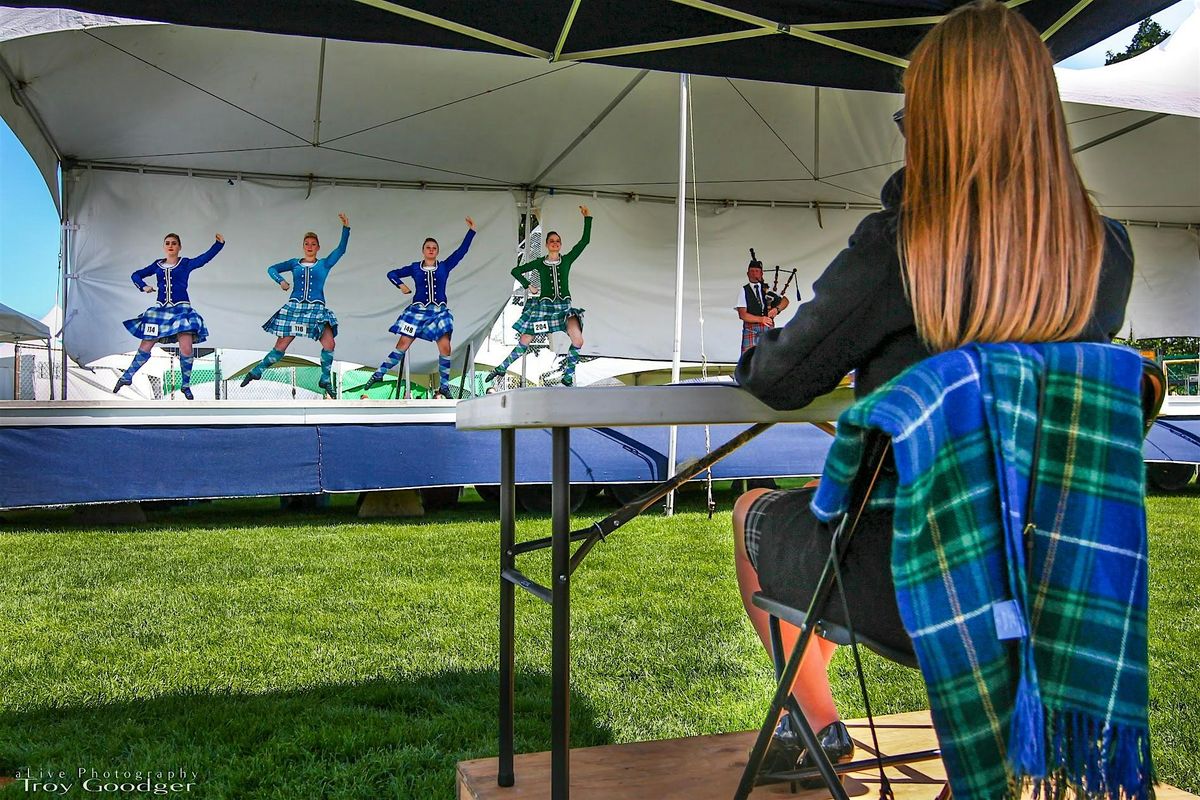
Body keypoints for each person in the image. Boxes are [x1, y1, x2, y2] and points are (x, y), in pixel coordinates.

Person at [730, 0, 1134, 783]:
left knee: (753, 512)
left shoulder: (901, 244)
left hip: (918, 583)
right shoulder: (1103, 251)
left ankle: (816, 728)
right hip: (1058, 588)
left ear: (937, 123)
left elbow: (780, 378)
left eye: (909, 116)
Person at [361, 217, 477, 399]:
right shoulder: (415, 268)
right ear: (423, 251)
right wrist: (401, 285)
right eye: (428, 248)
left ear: (437, 251)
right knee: (403, 344)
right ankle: (379, 374)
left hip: (439, 312)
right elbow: (391, 274)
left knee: (445, 347)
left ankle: (444, 386)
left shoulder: (445, 266)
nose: (431, 250)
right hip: (417, 312)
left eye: (434, 248)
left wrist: (471, 232)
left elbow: (461, 252)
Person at [241, 213, 350, 398]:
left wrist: (346, 228)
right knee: (280, 346)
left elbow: (341, 250)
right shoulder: (294, 263)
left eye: (313, 244)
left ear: (318, 247)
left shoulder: (324, 264)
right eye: (307, 244)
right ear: (303, 246)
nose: (310, 247)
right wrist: (281, 282)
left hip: (316, 308)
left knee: (330, 343)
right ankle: (257, 371)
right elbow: (271, 269)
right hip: (295, 308)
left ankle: (325, 379)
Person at [486, 206, 591, 388]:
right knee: (525, 340)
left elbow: (584, 242)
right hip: (544, 310)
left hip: (564, 309)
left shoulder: (566, 260)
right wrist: (529, 286)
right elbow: (516, 270)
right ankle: (502, 367)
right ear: (546, 244)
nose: (555, 243)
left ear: (560, 244)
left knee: (578, 339)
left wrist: (587, 218)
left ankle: (568, 375)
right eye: (551, 241)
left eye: (557, 241)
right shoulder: (540, 263)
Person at [114, 232, 225, 399]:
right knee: (146, 343)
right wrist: (143, 286)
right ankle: (127, 376)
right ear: (164, 247)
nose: (171, 245)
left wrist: (218, 245)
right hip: (160, 311)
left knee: (186, 347)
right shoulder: (157, 265)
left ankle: (185, 385)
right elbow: (135, 275)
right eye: (167, 243)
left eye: (174, 243)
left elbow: (203, 259)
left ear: (179, 247)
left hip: (181, 310)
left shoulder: (185, 263)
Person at [735, 255, 789, 354]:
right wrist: (761, 319)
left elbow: (785, 301)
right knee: (748, 360)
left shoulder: (767, 289)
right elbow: (742, 315)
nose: (754, 273)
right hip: (750, 330)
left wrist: (776, 309)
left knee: (769, 359)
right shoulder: (744, 290)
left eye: (756, 271)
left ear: (761, 273)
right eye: (751, 271)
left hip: (768, 329)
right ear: (747, 273)